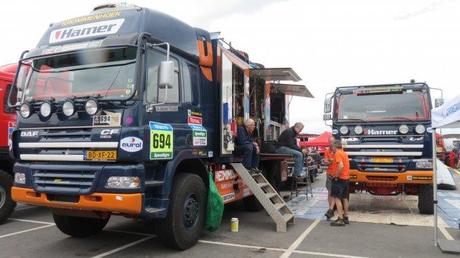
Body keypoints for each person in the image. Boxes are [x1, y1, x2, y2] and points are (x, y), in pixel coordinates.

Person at [330, 140, 350, 226]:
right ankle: (345, 217)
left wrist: (336, 176)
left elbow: (340, 165)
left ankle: (340, 219)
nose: (332, 149)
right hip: (346, 178)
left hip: (340, 179)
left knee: (337, 198)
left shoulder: (337, 153)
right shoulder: (344, 153)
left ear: (334, 146)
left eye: (332, 147)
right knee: (345, 198)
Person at [323, 136, 337, 220]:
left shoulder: (338, 150)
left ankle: (333, 208)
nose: (330, 143)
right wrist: (327, 161)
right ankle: (330, 209)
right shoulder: (327, 151)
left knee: (337, 194)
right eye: (329, 142)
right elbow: (325, 161)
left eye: (332, 141)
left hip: (338, 174)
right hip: (330, 174)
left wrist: (331, 160)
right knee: (330, 192)